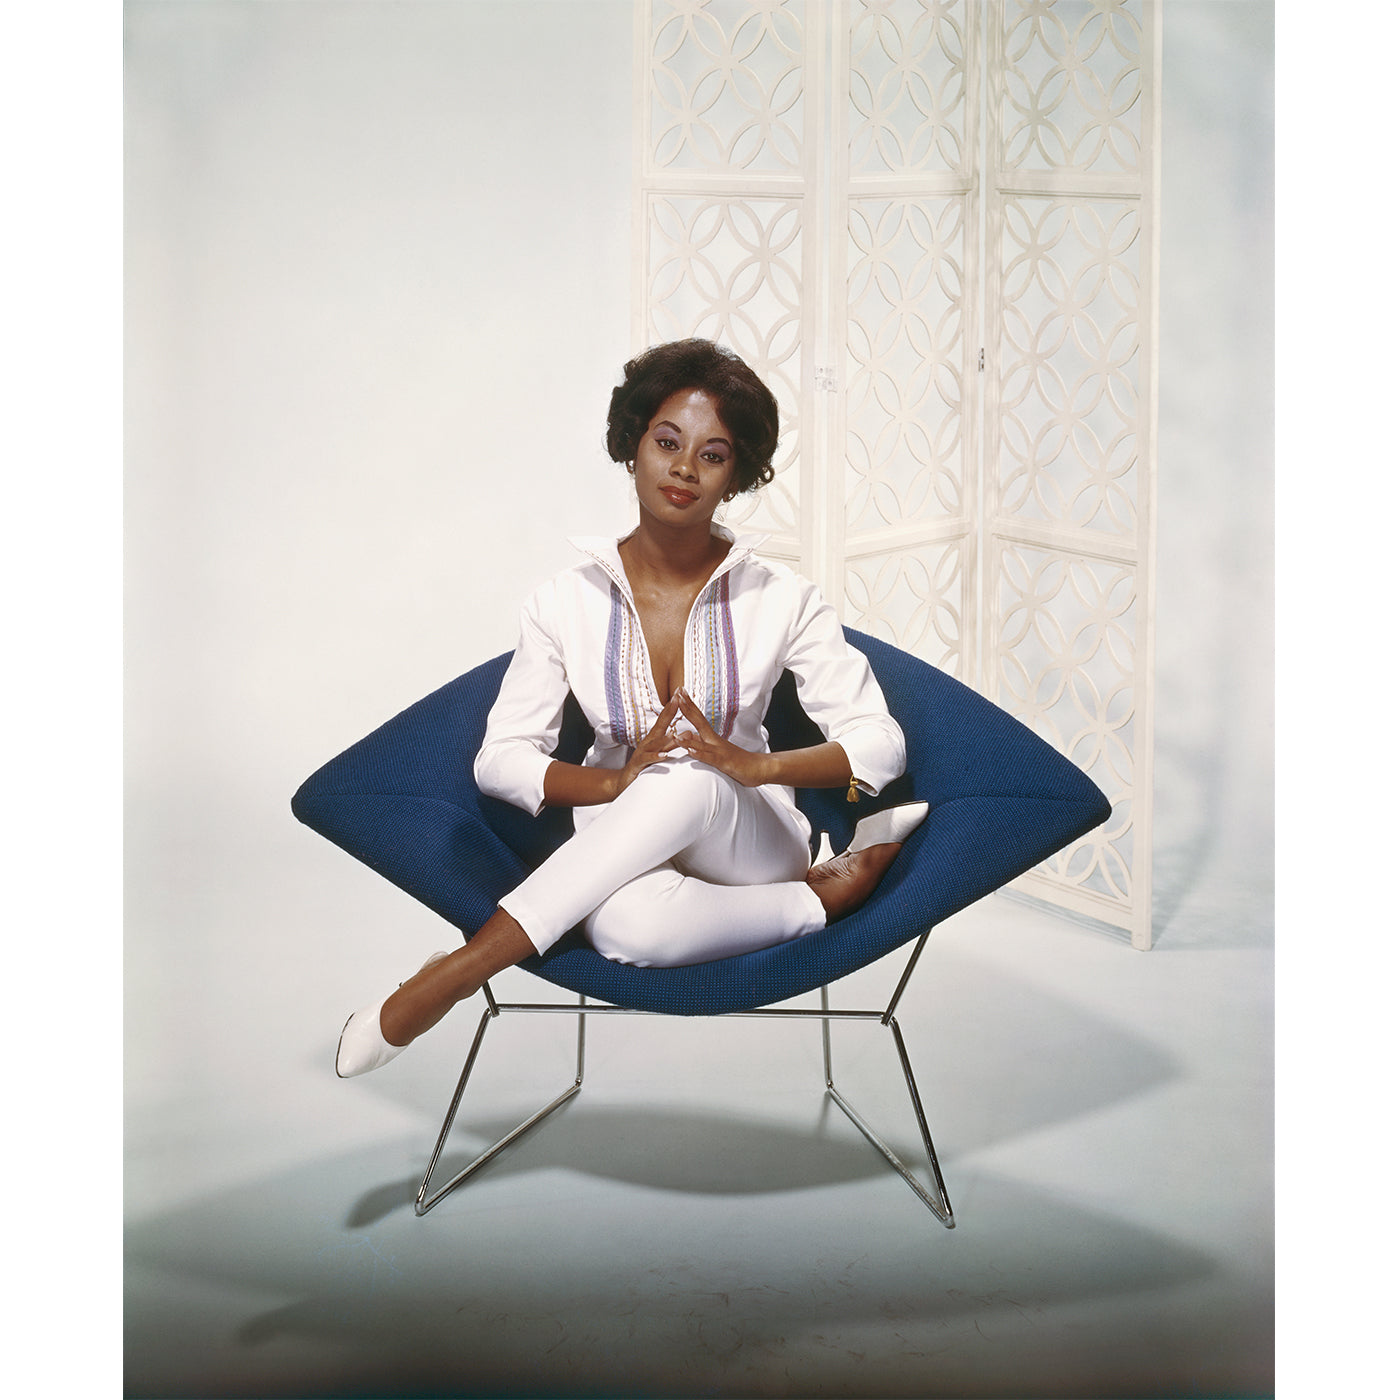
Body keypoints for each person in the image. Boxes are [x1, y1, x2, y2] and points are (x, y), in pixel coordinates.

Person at [336, 339, 928, 1077]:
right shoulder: (563, 602)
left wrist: (753, 764)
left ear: (735, 474)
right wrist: (612, 784)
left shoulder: (782, 598)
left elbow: (880, 744)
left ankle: (449, 977)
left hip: (750, 839)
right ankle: (819, 901)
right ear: (632, 446)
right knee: (624, 928)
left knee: (682, 777)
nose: (684, 468)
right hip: (622, 840)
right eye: (667, 442)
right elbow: (503, 759)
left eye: (712, 455)